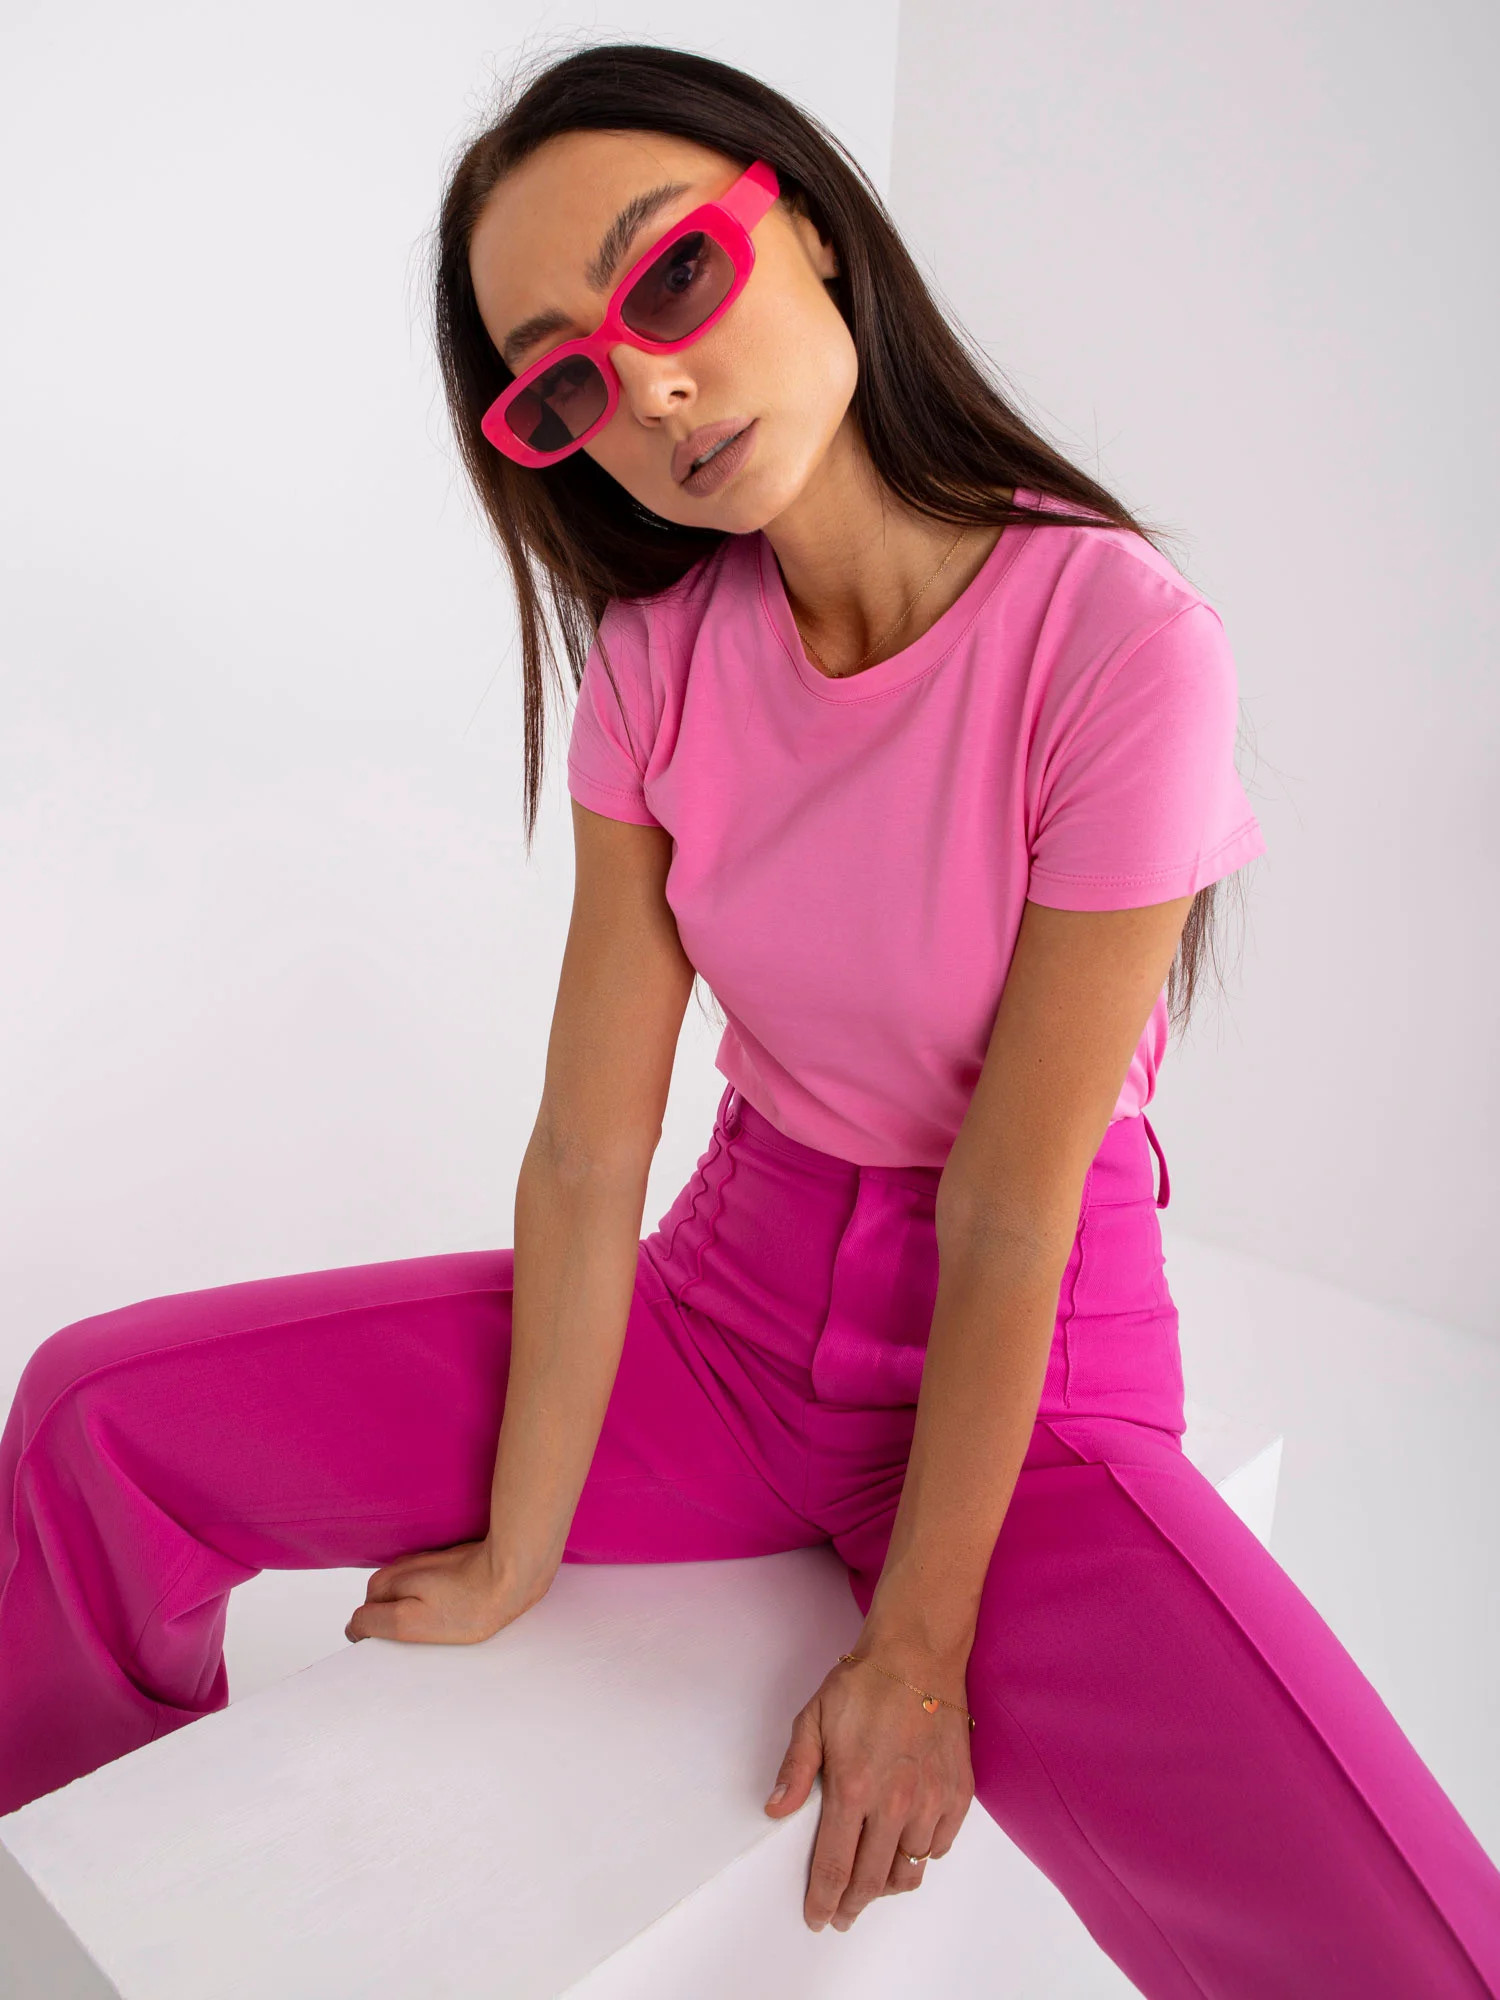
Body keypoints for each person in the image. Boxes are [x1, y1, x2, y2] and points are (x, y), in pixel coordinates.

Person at [2, 40, 1497, 1997]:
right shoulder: (657, 661)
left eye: (674, 275)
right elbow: (587, 1145)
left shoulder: (1119, 641)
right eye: (563, 381)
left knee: (1412, 1948)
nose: (647, 386)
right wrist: (523, 1542)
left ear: (807, 227)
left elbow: (1011, 1202)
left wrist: (918, 1652)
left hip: (1026, 1383)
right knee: (95, 1421)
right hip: (718, 1325)